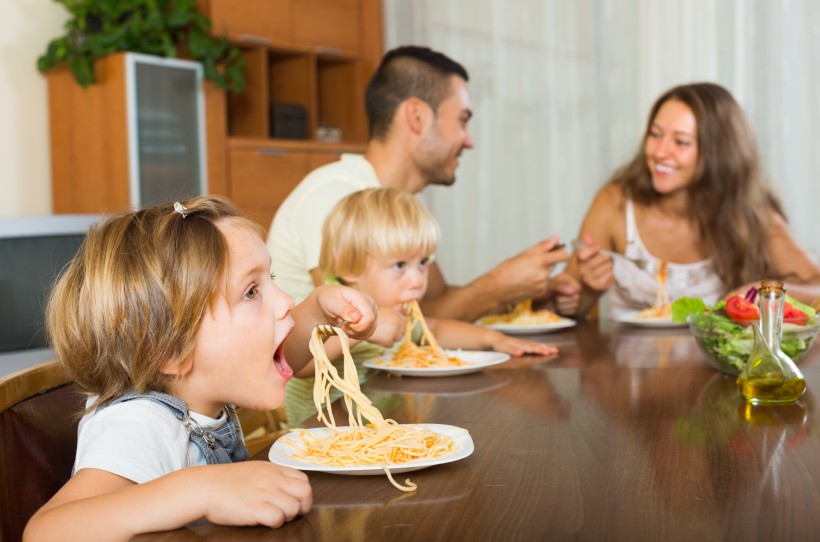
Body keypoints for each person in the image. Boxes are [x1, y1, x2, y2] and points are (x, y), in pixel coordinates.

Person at [24, 196, 378, 539]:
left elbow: (287, 354)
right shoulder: (140, 424)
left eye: (272, 277)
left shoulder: (201, 390)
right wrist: (200, 491)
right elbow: (47, 531)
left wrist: (319, 310)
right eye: (252, 291)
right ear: (174, 350)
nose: (286, 301)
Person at [267, 45, 578, 322]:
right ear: (416, 116)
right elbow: (377, 323)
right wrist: (496, 287)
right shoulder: (337, 197)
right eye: (462, 119)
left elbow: (434, 303)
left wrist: (520, 293)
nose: (469, 141)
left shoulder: (399, 204)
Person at [284, 188, 559, 427]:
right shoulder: (336, 306)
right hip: (321, 429)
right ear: (349, 267)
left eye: (423, 263)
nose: (417, 281)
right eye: (400, 266)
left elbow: (435, 328)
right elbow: (304, 366)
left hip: (378, 421)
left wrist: (496, 340)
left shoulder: (399, 308)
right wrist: (364, 330)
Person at [568, 82, 820, 318]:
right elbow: (567, 305)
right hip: (627, 364)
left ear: (719, 153)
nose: (659, 152)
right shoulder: (616, 203)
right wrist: (585, 289)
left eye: (681, 142)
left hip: (716, 364)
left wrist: (760, 292)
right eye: (655, 135)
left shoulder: (751, 214)